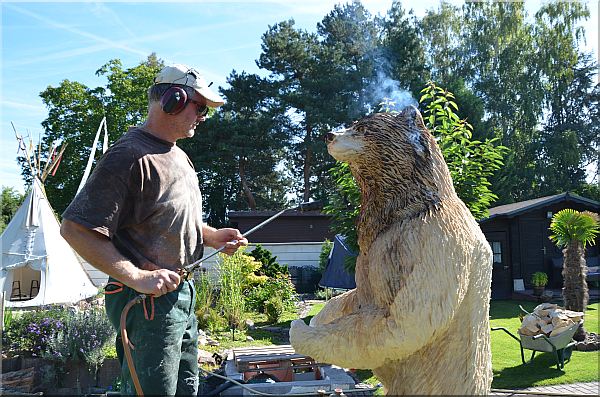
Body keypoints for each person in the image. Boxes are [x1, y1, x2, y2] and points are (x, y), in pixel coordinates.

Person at [60, 63, 248, 396]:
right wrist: (136, 276)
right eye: (200, 107)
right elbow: (75, 229)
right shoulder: (129, 157)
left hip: (181, 297)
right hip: (145, 302)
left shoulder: (179, 157)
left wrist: (211, 235)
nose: (203, 116)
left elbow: (169, 217)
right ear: (173, 99)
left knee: (185, 389)